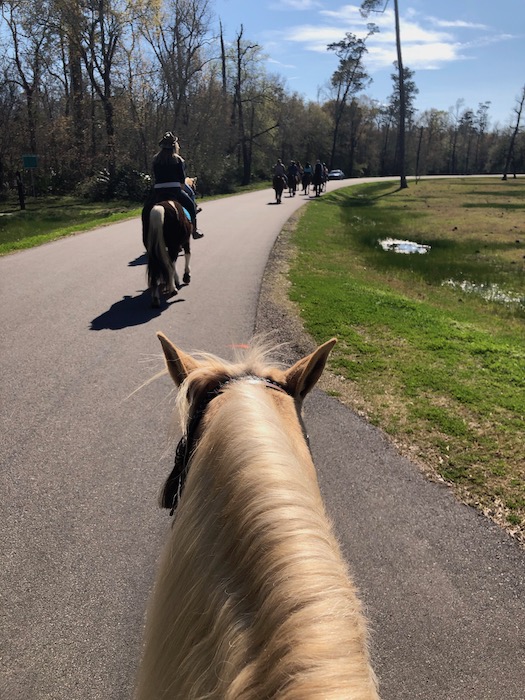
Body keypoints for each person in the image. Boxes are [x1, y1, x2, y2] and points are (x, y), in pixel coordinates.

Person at [142, 132, 203, 246]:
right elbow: (181, 179)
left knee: (146, 209)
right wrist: (181, 188)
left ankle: (147, 236)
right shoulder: (178, 160)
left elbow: (154, 175)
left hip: (158, 190)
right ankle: (194, 231)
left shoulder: (155, 160)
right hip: (175, 189)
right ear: (174, 146)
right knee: (190, 206)